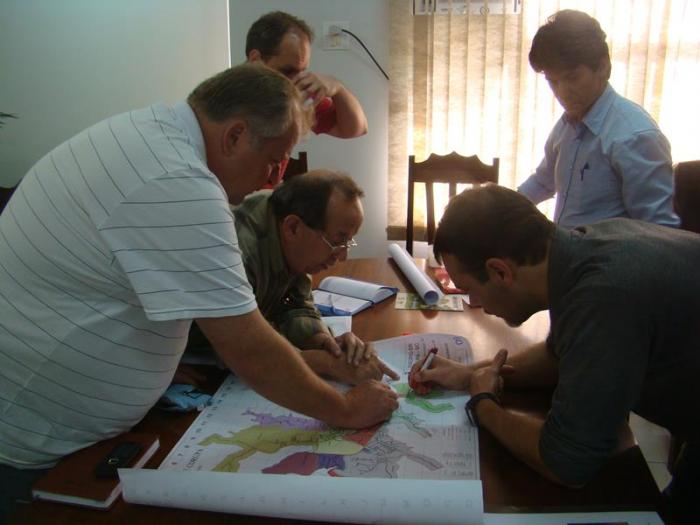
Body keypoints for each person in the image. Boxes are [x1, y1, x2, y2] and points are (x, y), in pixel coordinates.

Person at [0, 63, 397, 517]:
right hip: (38, 447)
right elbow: (247, 347)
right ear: (234, 136)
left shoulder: (153, 131)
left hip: (75, 432)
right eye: (272, 161)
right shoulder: (180, 181)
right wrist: (345, 409)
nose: (272, 181)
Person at [410, 184, 699, 523]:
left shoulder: (603, 295)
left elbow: (567, 462)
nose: (475, 303)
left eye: (471, 290)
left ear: (500, 271)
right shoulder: (581, 250)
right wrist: (471, 372)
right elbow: (560, 356)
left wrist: (483, 405)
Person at [232, 169, 398, 385]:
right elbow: (244, 346)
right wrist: (326, 364)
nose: (342, 256)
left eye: (349, 241)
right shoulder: (239, 251)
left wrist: (324, 343)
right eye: (338, 241)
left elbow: (296, 304)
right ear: (293, 228)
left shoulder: (294, 240)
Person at [517, 10, 679, 229]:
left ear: (603, 67)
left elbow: (660, 230)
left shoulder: (634, 136)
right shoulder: (566, 126)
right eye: (552, 81)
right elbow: (542, 181)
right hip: (570, 252)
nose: (562, 92)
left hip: (613, 260)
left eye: (572, 77)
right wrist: (498, 208)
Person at [245, 10, 368, 185]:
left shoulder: (296, 94)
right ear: (255, 59)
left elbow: (356, 128)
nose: (295, 82)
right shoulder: (226, 100)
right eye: (287, 71)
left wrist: (337, 88)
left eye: (302, 72)